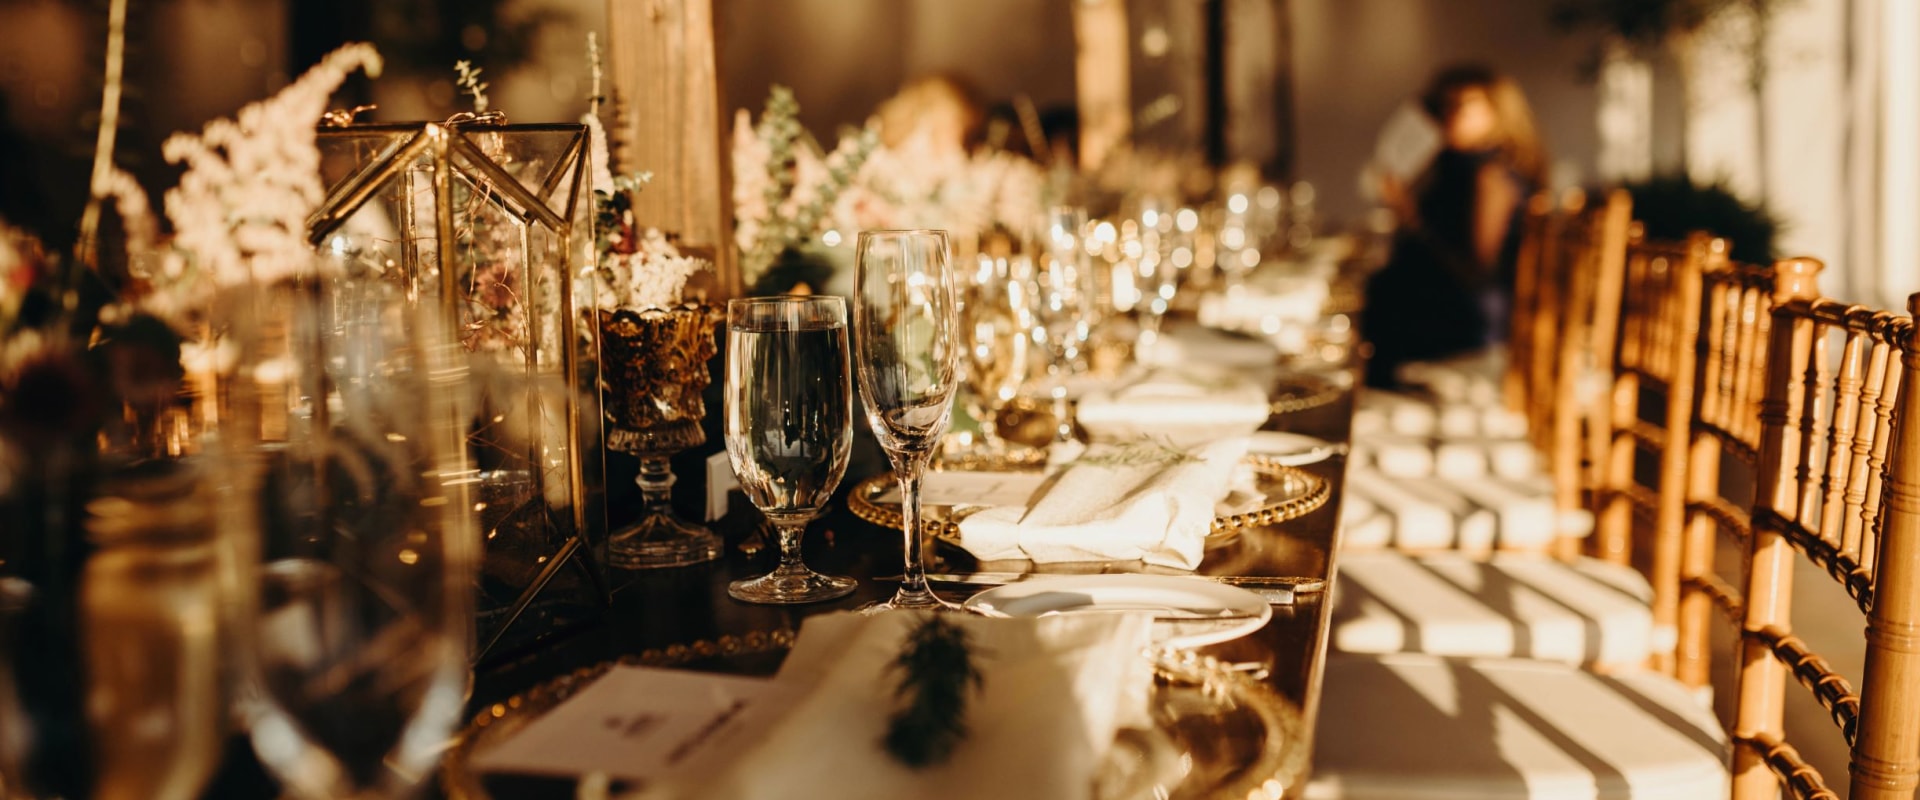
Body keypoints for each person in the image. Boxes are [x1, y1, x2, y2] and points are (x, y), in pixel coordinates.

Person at [1362, 63, 1546, 388]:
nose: (1450, 114)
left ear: (1498, 112)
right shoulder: (1453, 165)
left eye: (1463, 105)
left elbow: (1478, 270)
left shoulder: (1491, 176)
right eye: (1443, 105)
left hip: (1463, 326)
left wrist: (1412, 218)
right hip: (1438, 314)